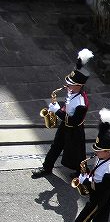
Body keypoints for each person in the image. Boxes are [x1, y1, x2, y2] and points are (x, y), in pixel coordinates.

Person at [55, 109, 110, 222]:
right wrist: (105, 121)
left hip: (99, 193)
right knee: (104, 209)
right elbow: (103, 132)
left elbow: (100, 188)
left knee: (84, 216)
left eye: (98, 150)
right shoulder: (103, 153)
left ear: (108, 152)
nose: (95, 152)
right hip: (100, 184)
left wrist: (86, 180)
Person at [32, 49, 93, 179]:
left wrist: (56, 110)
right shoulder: (72, 91)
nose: (67, 86)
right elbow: (67, 106)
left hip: (75, 129)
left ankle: (81, 172)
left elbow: (72, 121)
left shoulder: (81, 103)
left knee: (77, 153)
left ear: (79, 85)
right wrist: (59, 108)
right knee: (56, 146)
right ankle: (46, 167)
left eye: (71, 84)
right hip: (65, 126)